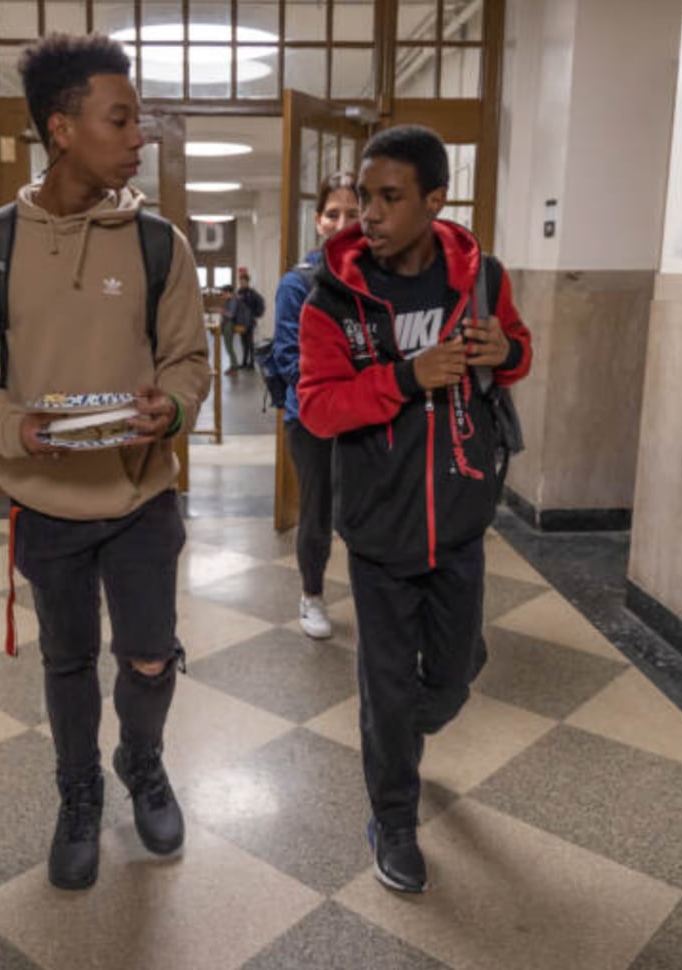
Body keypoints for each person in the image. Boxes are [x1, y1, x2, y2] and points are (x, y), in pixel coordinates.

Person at [0, 34, 210, 892]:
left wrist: (176, 405)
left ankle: (142, 763)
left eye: (138, 119)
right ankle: (77, 793)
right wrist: (13, 426)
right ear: (60, 129)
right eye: (119, 119)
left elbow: (190, 359)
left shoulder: (161, 245)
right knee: (67, 660)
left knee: (151, 655)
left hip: (141, 496)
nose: (139, 135)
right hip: (45, 503)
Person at [297, 126, 532, 894]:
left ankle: (435, 697)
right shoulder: (333, 296)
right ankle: (393, 817)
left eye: (391, 198)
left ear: (436, 200)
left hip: (462, 520)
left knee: (455, 673)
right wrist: (406, 377)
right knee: (387, 690)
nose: (370, 213)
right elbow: (320, 408)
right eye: (364, 197)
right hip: (379, 530)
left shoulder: (480, 277)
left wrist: (505, 352)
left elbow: (519, 349)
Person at [272, 173, 361, 639]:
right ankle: (312, 596)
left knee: (369, 512)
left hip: (368, 417)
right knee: (318, 511)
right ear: (317, 220)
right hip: (311, 420)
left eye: (353, 213)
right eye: (333, 214)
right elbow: (289, 358)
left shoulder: (376, 282)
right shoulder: (298, 283)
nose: (342, 223)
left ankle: (377, 597)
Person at [223, 268, 265, 373]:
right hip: (241, 321)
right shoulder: (239, 292)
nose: (241, 283)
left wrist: (254, 315)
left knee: (249, 343)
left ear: (247, 281)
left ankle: (252, 363)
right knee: (243, 342)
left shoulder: (252, 293)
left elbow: (259, 304)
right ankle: (244, 362)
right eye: (240, 281)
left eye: (243, 281)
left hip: (250, 321)